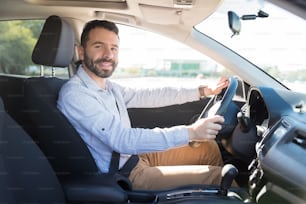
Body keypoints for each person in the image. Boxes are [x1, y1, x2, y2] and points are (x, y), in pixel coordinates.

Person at [57, 19, 230, 190]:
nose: (108, 54)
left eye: (113, 48)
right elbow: (122, 140)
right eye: (98, 46)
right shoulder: (76, 94)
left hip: (134, 157)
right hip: (123, 174)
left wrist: (202, 91)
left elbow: (149, 95)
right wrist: (191, 132)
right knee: (217, 176)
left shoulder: (108, 87)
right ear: (81, 52)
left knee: (208, 148)